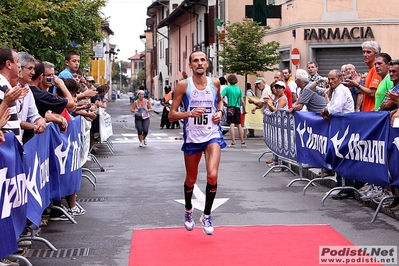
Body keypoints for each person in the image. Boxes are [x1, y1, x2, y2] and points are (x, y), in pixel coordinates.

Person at [168, 51, 226, 235]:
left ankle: (207, 215)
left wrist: (220, 112)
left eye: (202, 60)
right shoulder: (183, 86)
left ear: (207, 64)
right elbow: (171, 115)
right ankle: (188, 210)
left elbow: (220, 102)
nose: (199, 63)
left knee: (212, 175)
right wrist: (189, 114)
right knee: (191, 178)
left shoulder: (214, 83)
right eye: (195, 61)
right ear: (190, 65)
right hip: (193, 137)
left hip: (212, 135)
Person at [221, 74, 245, 148]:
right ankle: (243, 142)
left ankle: (233, 142)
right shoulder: (238, 89)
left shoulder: (227, 88)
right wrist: (245, 109)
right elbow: (242, 101)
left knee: (231, 124)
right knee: (239, 124)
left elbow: (221, 97)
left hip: (230, 107)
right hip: (237, 107)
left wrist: (224, 103)